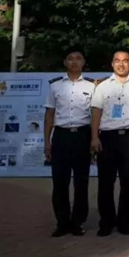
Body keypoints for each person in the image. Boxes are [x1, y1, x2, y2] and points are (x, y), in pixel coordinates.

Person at [90, 49, 129, 236]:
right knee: (105, 183)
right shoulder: (103, 87)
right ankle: (106, 223)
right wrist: (94, 137)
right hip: (107, 137)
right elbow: (96, 113)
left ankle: (124, 222)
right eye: (117, 60)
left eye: (125, 60)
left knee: (128, 182)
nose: (121, 64)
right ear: (112, 64)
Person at [44, 48, 95, 237]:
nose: (74, 62)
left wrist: (94, 138)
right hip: (61, 136)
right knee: (60, 182)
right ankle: (62, 223)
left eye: (78, 58)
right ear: (65, 62)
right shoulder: (55, 86)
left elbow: (95, 115)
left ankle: (77, 222)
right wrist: (47, 142)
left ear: (83, 63)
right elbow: (49, 115)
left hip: (82, 136)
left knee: (81, 182)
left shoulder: (91, 86)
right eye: (70, 59)